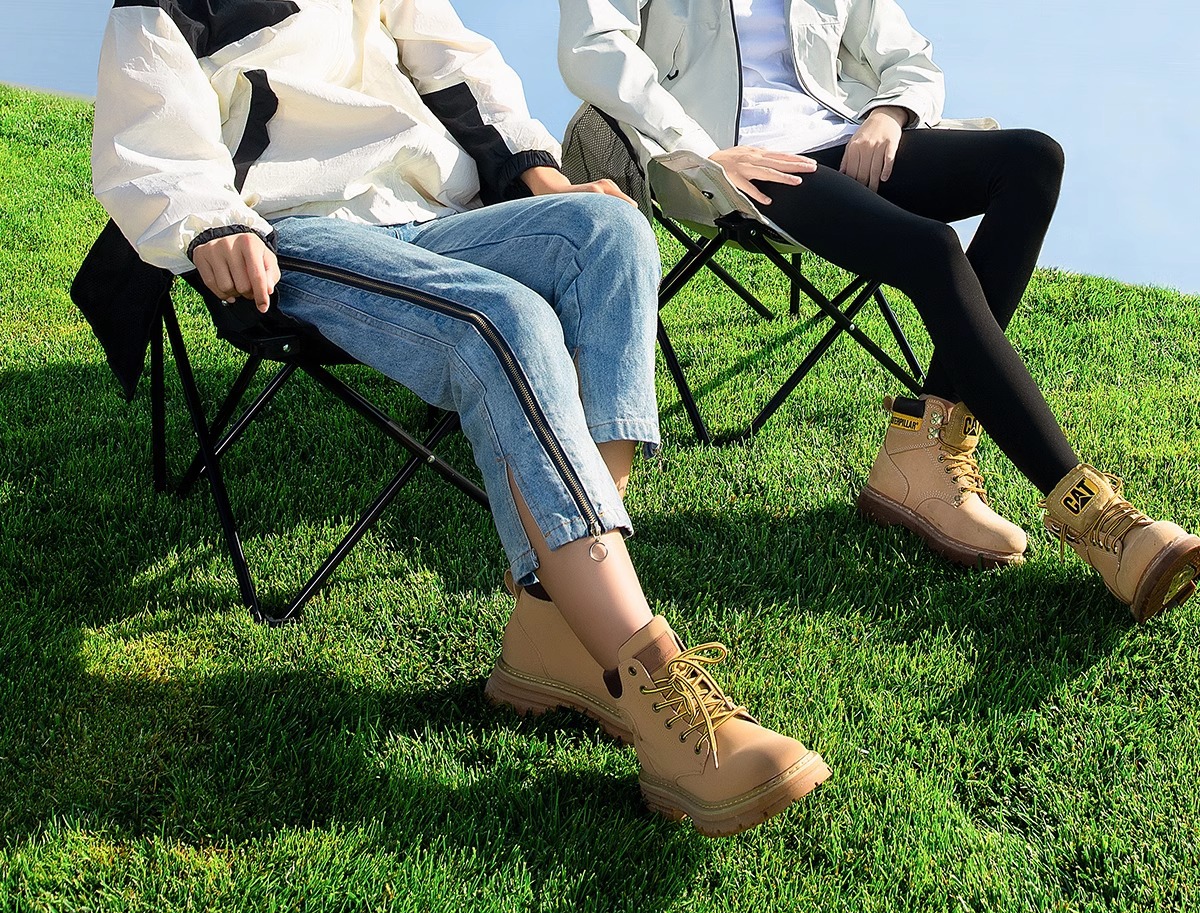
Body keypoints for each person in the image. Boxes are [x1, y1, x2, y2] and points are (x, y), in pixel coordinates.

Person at [88, 0, 831, 836]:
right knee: (503, 322)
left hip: (437, 221)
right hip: (292, 232)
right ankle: (647, 678)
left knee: (610, 228)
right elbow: (146, 131)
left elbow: (462, 69)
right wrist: (211, 222)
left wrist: (541, 173)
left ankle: (554, 618)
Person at [557, 0, 1200, 620]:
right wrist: (695, 146)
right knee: (932, 248)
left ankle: (920, 452)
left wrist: (888, 114)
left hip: (843, 138)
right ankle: (1098, 520)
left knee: (1032, 161)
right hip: (728, 163)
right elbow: (592, 45)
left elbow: (904, 52)